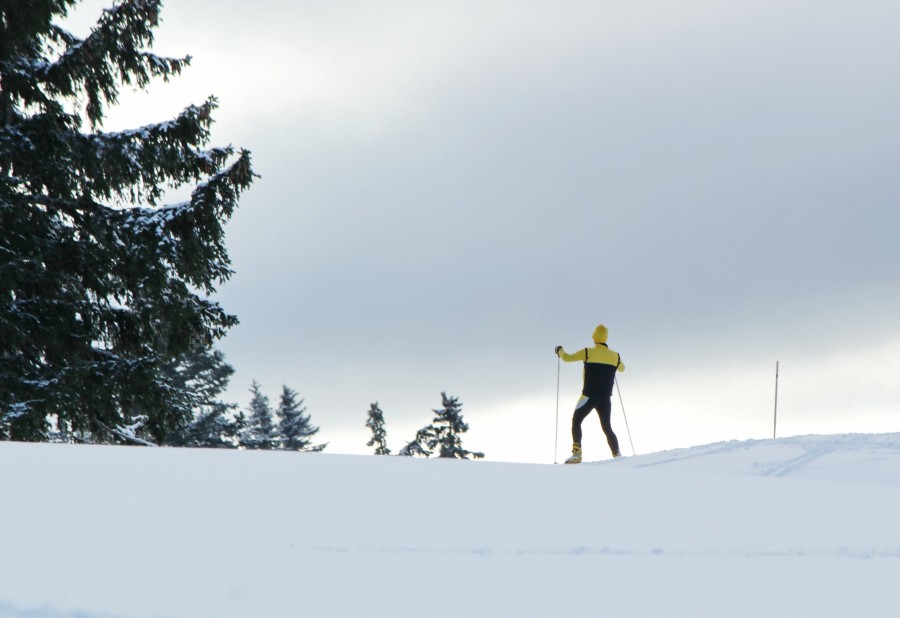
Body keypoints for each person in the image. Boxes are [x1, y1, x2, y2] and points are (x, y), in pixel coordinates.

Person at [555, 324, 625, 463]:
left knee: (576, 420)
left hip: (588, 396)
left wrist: (560, 350)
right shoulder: (615, 356)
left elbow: (567, 358)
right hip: (605, 398)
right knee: (607, 427)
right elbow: (622, 368)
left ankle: (577, 454)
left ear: (594, 337)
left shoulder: (588, 352)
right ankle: (617, 454)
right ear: (606, 338)